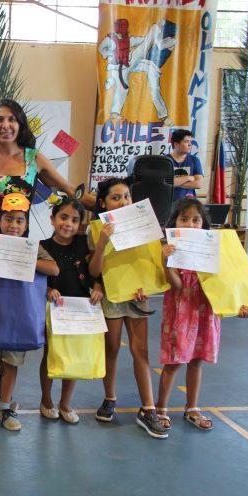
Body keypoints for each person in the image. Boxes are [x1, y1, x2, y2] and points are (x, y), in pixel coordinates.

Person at [157, 198, 248, 431]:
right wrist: (166, 263)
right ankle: (161, 408)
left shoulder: (215, 251)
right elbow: (177, 286)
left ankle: (192, 407)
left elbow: (230, 283)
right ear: (175, 223)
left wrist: (240, 306)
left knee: (196, 360)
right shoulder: (172, 250)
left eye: (195, 220)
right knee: (174, 361)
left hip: (205, 312)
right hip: (181, 313)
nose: (190, 224)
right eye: (184, 219)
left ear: (203, 224)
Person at [0, 193, 59, 431]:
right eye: (8, 219)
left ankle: (5, 405)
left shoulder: (33, 248)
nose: (14, 225)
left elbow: (54, 269)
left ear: (26, 225)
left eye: (19, 221)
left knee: (11, 363)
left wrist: (26, 259)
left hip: (19, 320)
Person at [88, 177, 168, 439]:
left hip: (137, 296)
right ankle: (110, 397)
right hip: (111, 296)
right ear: (103, 203)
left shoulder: (144, 225)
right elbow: (94, 270)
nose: (123, 202)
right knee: (111, 348)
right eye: (116, 197)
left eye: (126, 197)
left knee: (140, 350)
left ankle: (148, 409)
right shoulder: (96, 229)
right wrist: (101, 242)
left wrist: (147, 285)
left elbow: (151, 265)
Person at [0, 99, 96, 232]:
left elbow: (70, 190)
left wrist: (104, 206)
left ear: (20, 125)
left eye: (12, 119)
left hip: (19, 245)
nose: (5, 125)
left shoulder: (34, 160)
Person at [39, 197, 104, 424]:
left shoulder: (83, 245)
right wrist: (47, 289)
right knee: (51, 355)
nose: (68, 223)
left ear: (80, 224)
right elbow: (36, 279)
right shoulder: (42, 246)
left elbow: (95, 272)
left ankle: (65, 402)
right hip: (54, 310)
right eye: (63, 217)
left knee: (73, 357)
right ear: (52, 219)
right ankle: (46, 399)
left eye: (74, 220)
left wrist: (97, 287)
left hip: (80, 308)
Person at [168, 129, 203, 201]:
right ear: (176, 144)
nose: (190, 144)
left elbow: (198, 184)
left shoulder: (194, 160)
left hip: (189, 205)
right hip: (168, 204)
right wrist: (188, 178)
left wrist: (175, 183)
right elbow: (164, 183)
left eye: (190, 141)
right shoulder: (165, 161)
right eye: (186, 141)